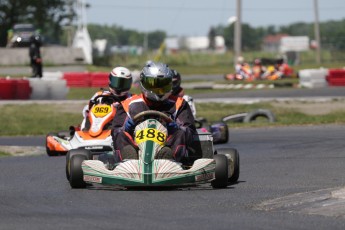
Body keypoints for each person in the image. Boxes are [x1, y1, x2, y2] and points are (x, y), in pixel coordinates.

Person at [111, 61, 196, 162]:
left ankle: (168, 159)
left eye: (163, 85)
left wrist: (176, 128)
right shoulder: (128, 104)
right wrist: (127, 128)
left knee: (181, 133)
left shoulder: (179, 104)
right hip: (137, 149)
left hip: (166, 146)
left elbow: (189, 131)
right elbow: (116, 131)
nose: (159, 90)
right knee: (121, 135)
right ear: (144, 83)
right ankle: (129, 160)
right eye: (154, 84)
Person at [80, 66, 133, 131]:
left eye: (123, 84)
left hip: (119, 130)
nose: (119, 87)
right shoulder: (100, 95)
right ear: (110, 81)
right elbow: (87, 110)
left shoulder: (132, 99)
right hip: (99, 124)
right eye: (116, 82)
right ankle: (85, 131)